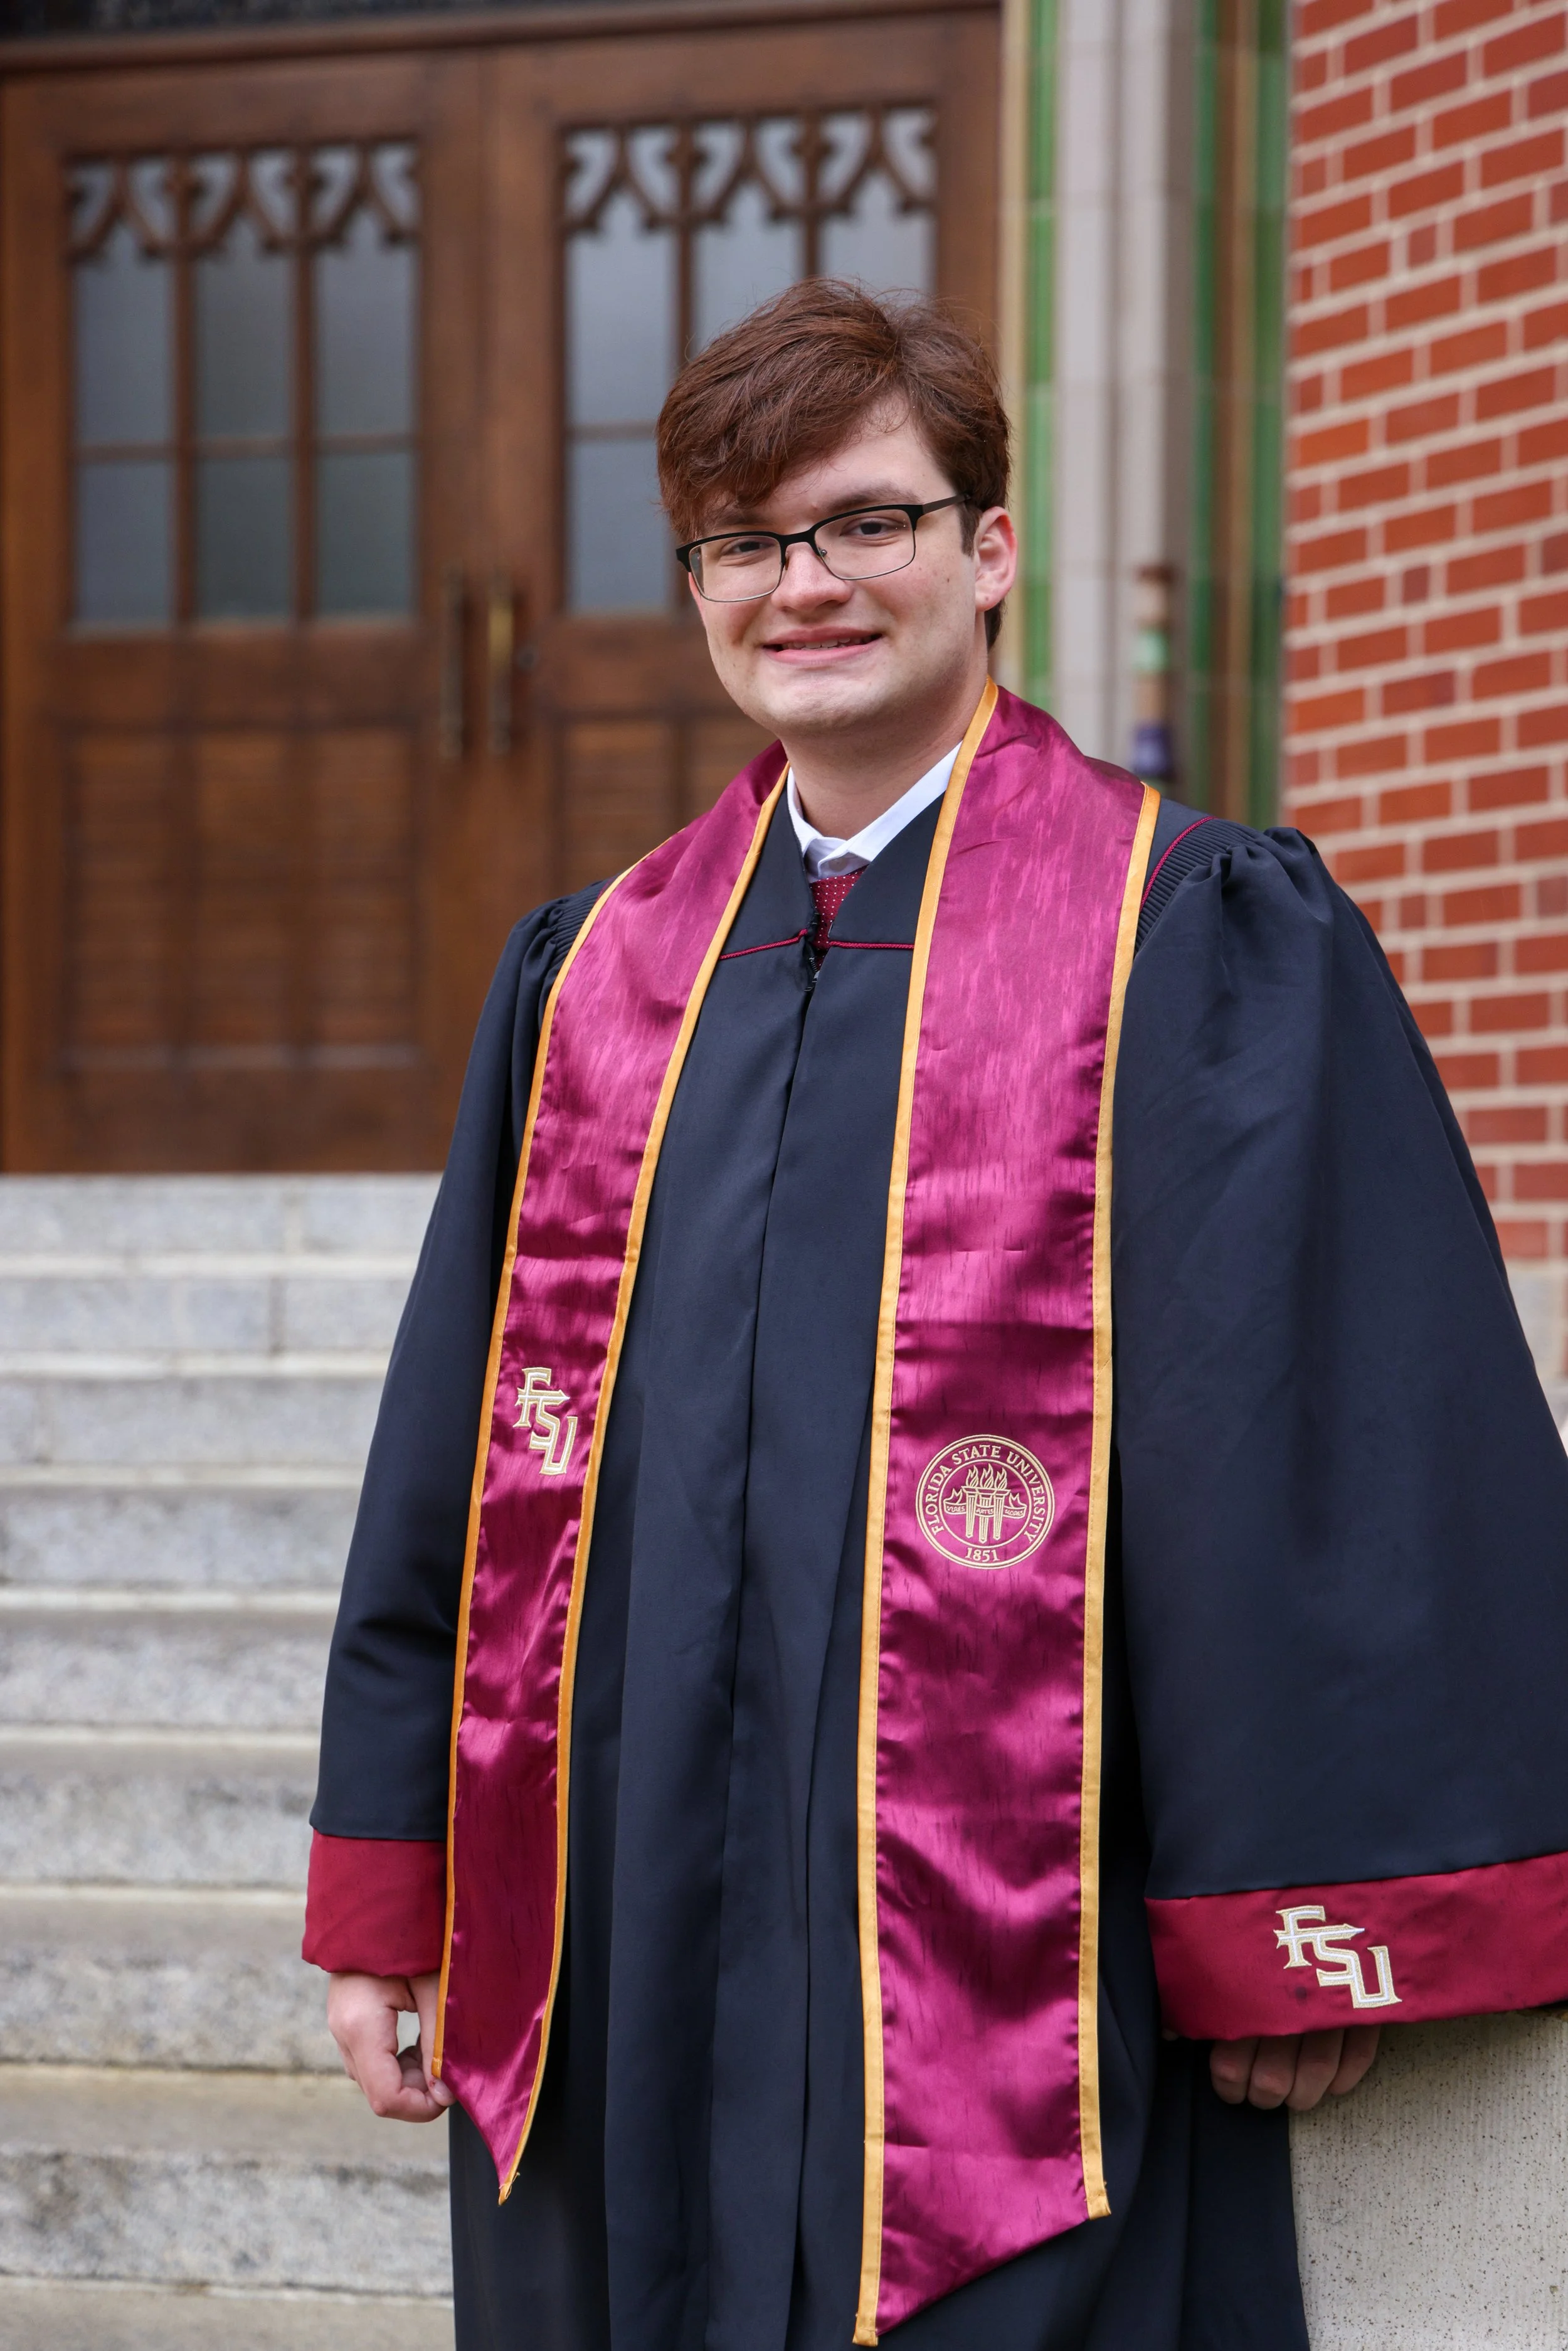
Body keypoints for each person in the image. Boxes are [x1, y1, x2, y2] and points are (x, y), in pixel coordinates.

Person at [304, 281, 1568, 2351]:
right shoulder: (593, 979)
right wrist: (395, 1882)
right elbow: (458, 1464)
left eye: (866, 522)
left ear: (990, 552)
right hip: (619, 1913)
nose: (804, 585)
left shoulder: (1190, 930)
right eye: (745, 539)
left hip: (1014, 1961)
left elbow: (1323, 1431)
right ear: (699, 589)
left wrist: (1295, 1906)